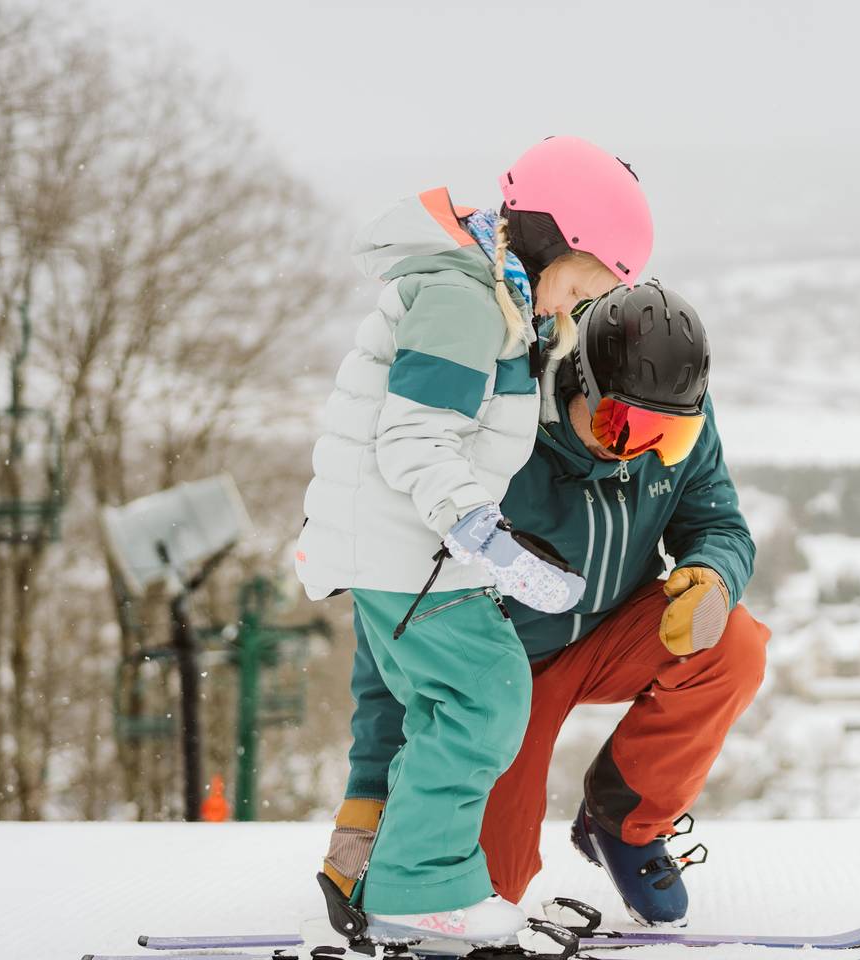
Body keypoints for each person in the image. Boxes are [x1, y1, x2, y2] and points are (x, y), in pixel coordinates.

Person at [295, 136, 653, 951]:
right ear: (556, 235)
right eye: (588, 281)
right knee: (484, 693)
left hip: (403, 545)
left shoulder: (492, 292)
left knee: (439, 705)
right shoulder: (463, 301)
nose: (579, 305)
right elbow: (416, 441)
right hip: (406, 546)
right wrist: (483, 536)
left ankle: (384, 870)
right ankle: (418, 891)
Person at [324, 281, 764, 929]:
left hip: (618, 631)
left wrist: (711, 576)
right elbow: (396, 618)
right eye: (624, 425)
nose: (643, 449)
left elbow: (719, 524)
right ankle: (408, 876)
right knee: (488, 891)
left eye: (668, 436)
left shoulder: (671, 411)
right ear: (575, 380)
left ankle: (625, 822)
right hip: (504, 672)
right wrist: (367, 790)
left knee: (735, 645)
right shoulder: (497, 435)